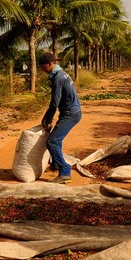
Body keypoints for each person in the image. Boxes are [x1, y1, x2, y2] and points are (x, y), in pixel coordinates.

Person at [38, 52, 82, 184]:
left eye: (42, 66)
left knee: (52, 142)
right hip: (71, 112)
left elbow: (54, 102)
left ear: (50, 64)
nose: (41, 69)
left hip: (71, 114)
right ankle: (56, 164)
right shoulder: (61, 74)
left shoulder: (58, 78)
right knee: (56, 139)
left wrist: (47, 119)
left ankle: (64, 171)